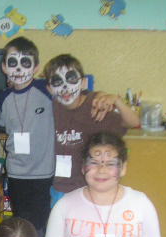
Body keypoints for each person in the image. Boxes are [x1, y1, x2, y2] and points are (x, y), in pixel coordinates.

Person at [43, 54, 140, 206]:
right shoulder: (54, 107)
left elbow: (133, 122)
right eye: (57, 82)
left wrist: (116, 100)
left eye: (71, 79)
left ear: (83, 83)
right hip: (60, 188)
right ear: (50, 89)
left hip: (89, 189)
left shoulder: (95, 105)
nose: (65, 87)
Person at [0, 36, 55, 237]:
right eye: (12, 63)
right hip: (17, 174)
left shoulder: (47, 91)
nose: (19, 69)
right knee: (22, 224)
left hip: (42, 174)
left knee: (39, 226)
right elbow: (0, 122)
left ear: (36, 67)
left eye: (25, 63)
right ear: (4, 67)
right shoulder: (3, 99)